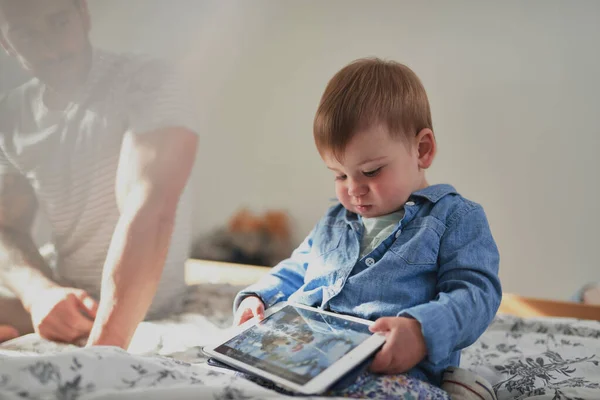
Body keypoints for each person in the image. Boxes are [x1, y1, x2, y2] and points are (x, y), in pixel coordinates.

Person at [234, 58, 502, 386]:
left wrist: (421, 331)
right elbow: (297, 266)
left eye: (371, 172)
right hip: (306, 353)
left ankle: (465, 390)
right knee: (233, 376)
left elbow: (476, 294)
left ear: (422, 150)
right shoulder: (335, 219)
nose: (353, 190)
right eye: (339, 174)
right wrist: (258, 297)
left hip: (387, 364)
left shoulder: (455, 218)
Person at [0, 0, 197, 349]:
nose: (50, 48)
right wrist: (40, 293)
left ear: (83, 14)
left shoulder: (147, 81)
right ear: (5, 42)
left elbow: (151, 210)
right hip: (64, 291)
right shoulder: (11, 114)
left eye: (59, 22)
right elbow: (6, 226)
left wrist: (104, 350)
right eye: (26, 34)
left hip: (143, 307)